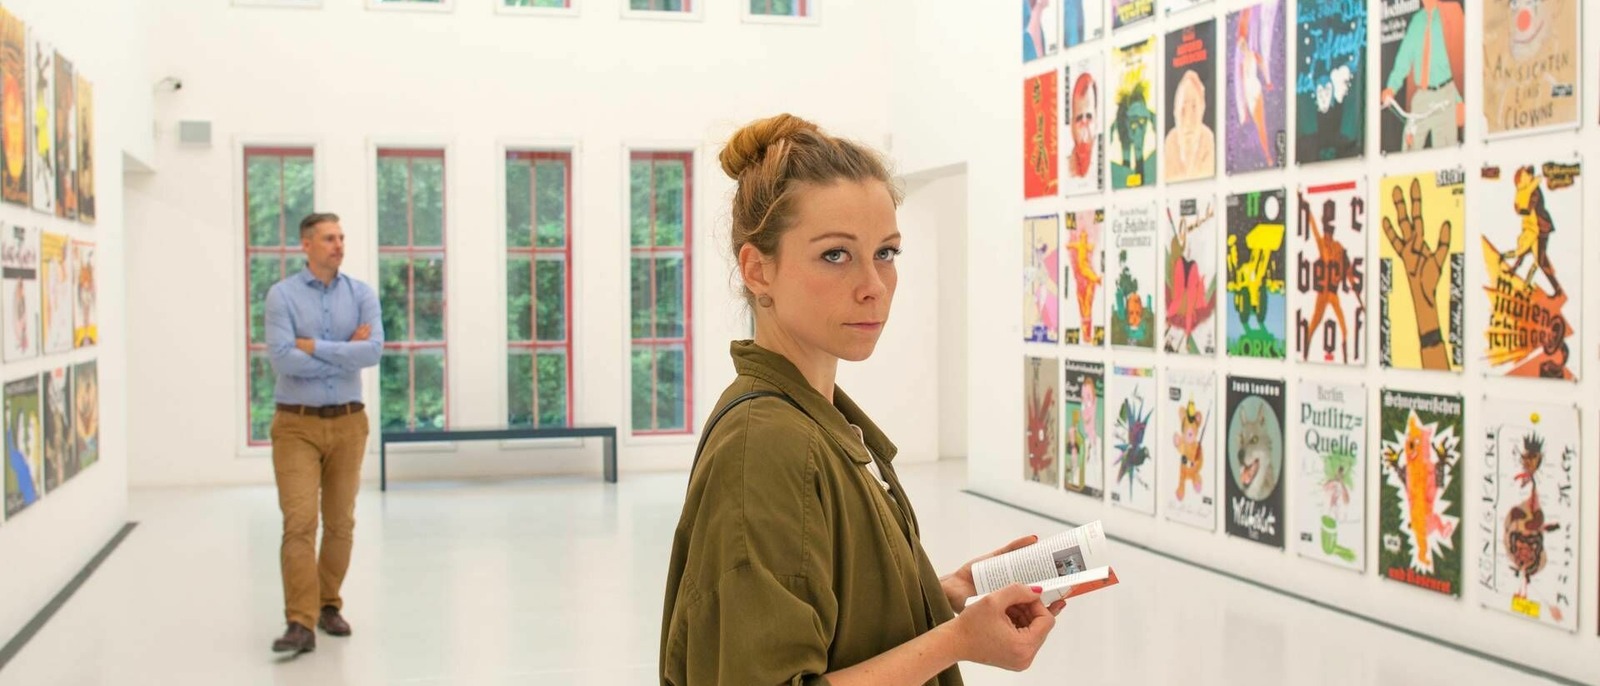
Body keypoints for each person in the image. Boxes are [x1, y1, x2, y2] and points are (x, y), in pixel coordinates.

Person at [661, 114, 1063, 685]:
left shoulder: (820, 423)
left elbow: (831, 617)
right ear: (758, 270)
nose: (874, 285)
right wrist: (958, 640)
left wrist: (939, 593)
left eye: (886, 253)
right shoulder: (767, 446)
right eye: (835, 255)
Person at [263, 212, 383, 655]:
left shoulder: (362, 294)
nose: (338, 245)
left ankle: (328, 604)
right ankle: (300, 622)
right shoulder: (282, 296)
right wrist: (344, 350)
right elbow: (283, 358)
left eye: (341, 237)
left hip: (349, 423)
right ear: (307, 244)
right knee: (299, 522)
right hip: (296, 425)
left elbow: (372, 352)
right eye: (329, 238)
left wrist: (314, 346)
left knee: (340, 523)